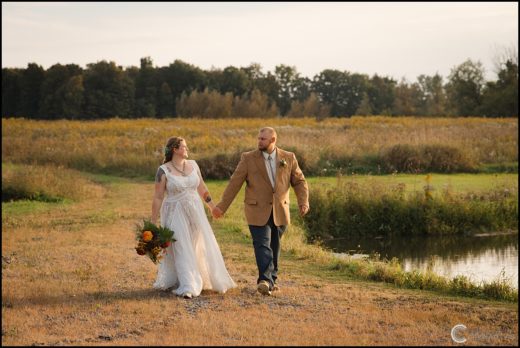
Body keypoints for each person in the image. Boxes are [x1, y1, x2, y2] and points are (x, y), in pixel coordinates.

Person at [213, 127, 309, 296]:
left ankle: (271, 281)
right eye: (258, 138)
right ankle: (264, 280)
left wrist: (303, 202)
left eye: (263, 139)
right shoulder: (248, 158)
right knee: (262, 244)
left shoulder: (289, 157)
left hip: (280, 210)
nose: (259, 142)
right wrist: (221, 207)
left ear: (273, 140)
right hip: (256, 209)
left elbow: (300, 181)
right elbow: (234, 183)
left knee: (274, 246)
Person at [151, 136, 236, 299]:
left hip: (195, 212)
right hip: (174, 212)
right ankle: (189, 285)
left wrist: (213, 208)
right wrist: (153, 223)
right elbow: (158, 197)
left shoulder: (194, 165)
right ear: (175, 149)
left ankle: (202, 278)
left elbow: (202, 188)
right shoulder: (163, 170)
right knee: (181, 245)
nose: (187, 149)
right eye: (184, 146)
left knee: (197, 245)